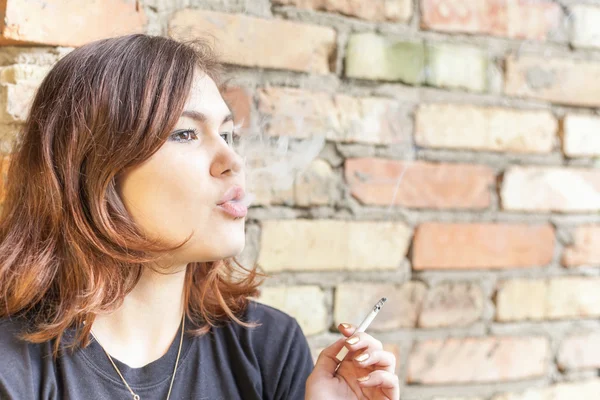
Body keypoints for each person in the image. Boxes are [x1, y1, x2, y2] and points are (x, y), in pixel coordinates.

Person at [0, 34, 400, 400]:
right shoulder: (13, 367)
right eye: (186, 133)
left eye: (226, 135)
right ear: (93, 168)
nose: (233, 161)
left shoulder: (268, 348)